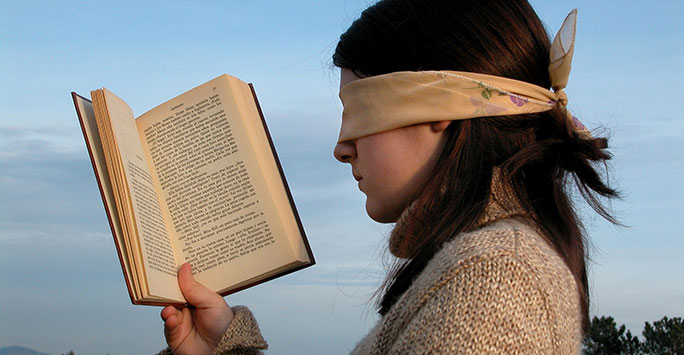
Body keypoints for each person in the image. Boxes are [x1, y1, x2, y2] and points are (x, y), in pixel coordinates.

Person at [159, 0, 619, 353]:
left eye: (357, 110)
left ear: (438, 106)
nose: (342, 148)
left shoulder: (497, 281)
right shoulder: (495, 266)